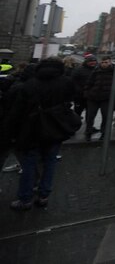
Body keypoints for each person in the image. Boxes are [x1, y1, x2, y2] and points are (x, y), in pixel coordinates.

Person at [7, 57, 76, 210]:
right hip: (55, 127)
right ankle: (44, 195)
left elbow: (18, 110)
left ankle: (25, 198)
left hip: (32, 129)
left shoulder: (31, 84)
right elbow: (71, 100)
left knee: (29, 164)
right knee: (50, 162)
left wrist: (12, 131)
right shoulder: (66, 82)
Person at [84, 56, 114, 141]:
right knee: (90, 117)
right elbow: (89, 82)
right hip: (93, 97)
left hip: (106, 98)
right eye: (103, 62)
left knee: (106, 117)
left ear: (110, 62)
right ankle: (88, 133)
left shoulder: (114, 72)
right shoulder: (96, 70)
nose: (104, 64)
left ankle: (104, 133)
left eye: (106, 62)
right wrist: (87, 93)